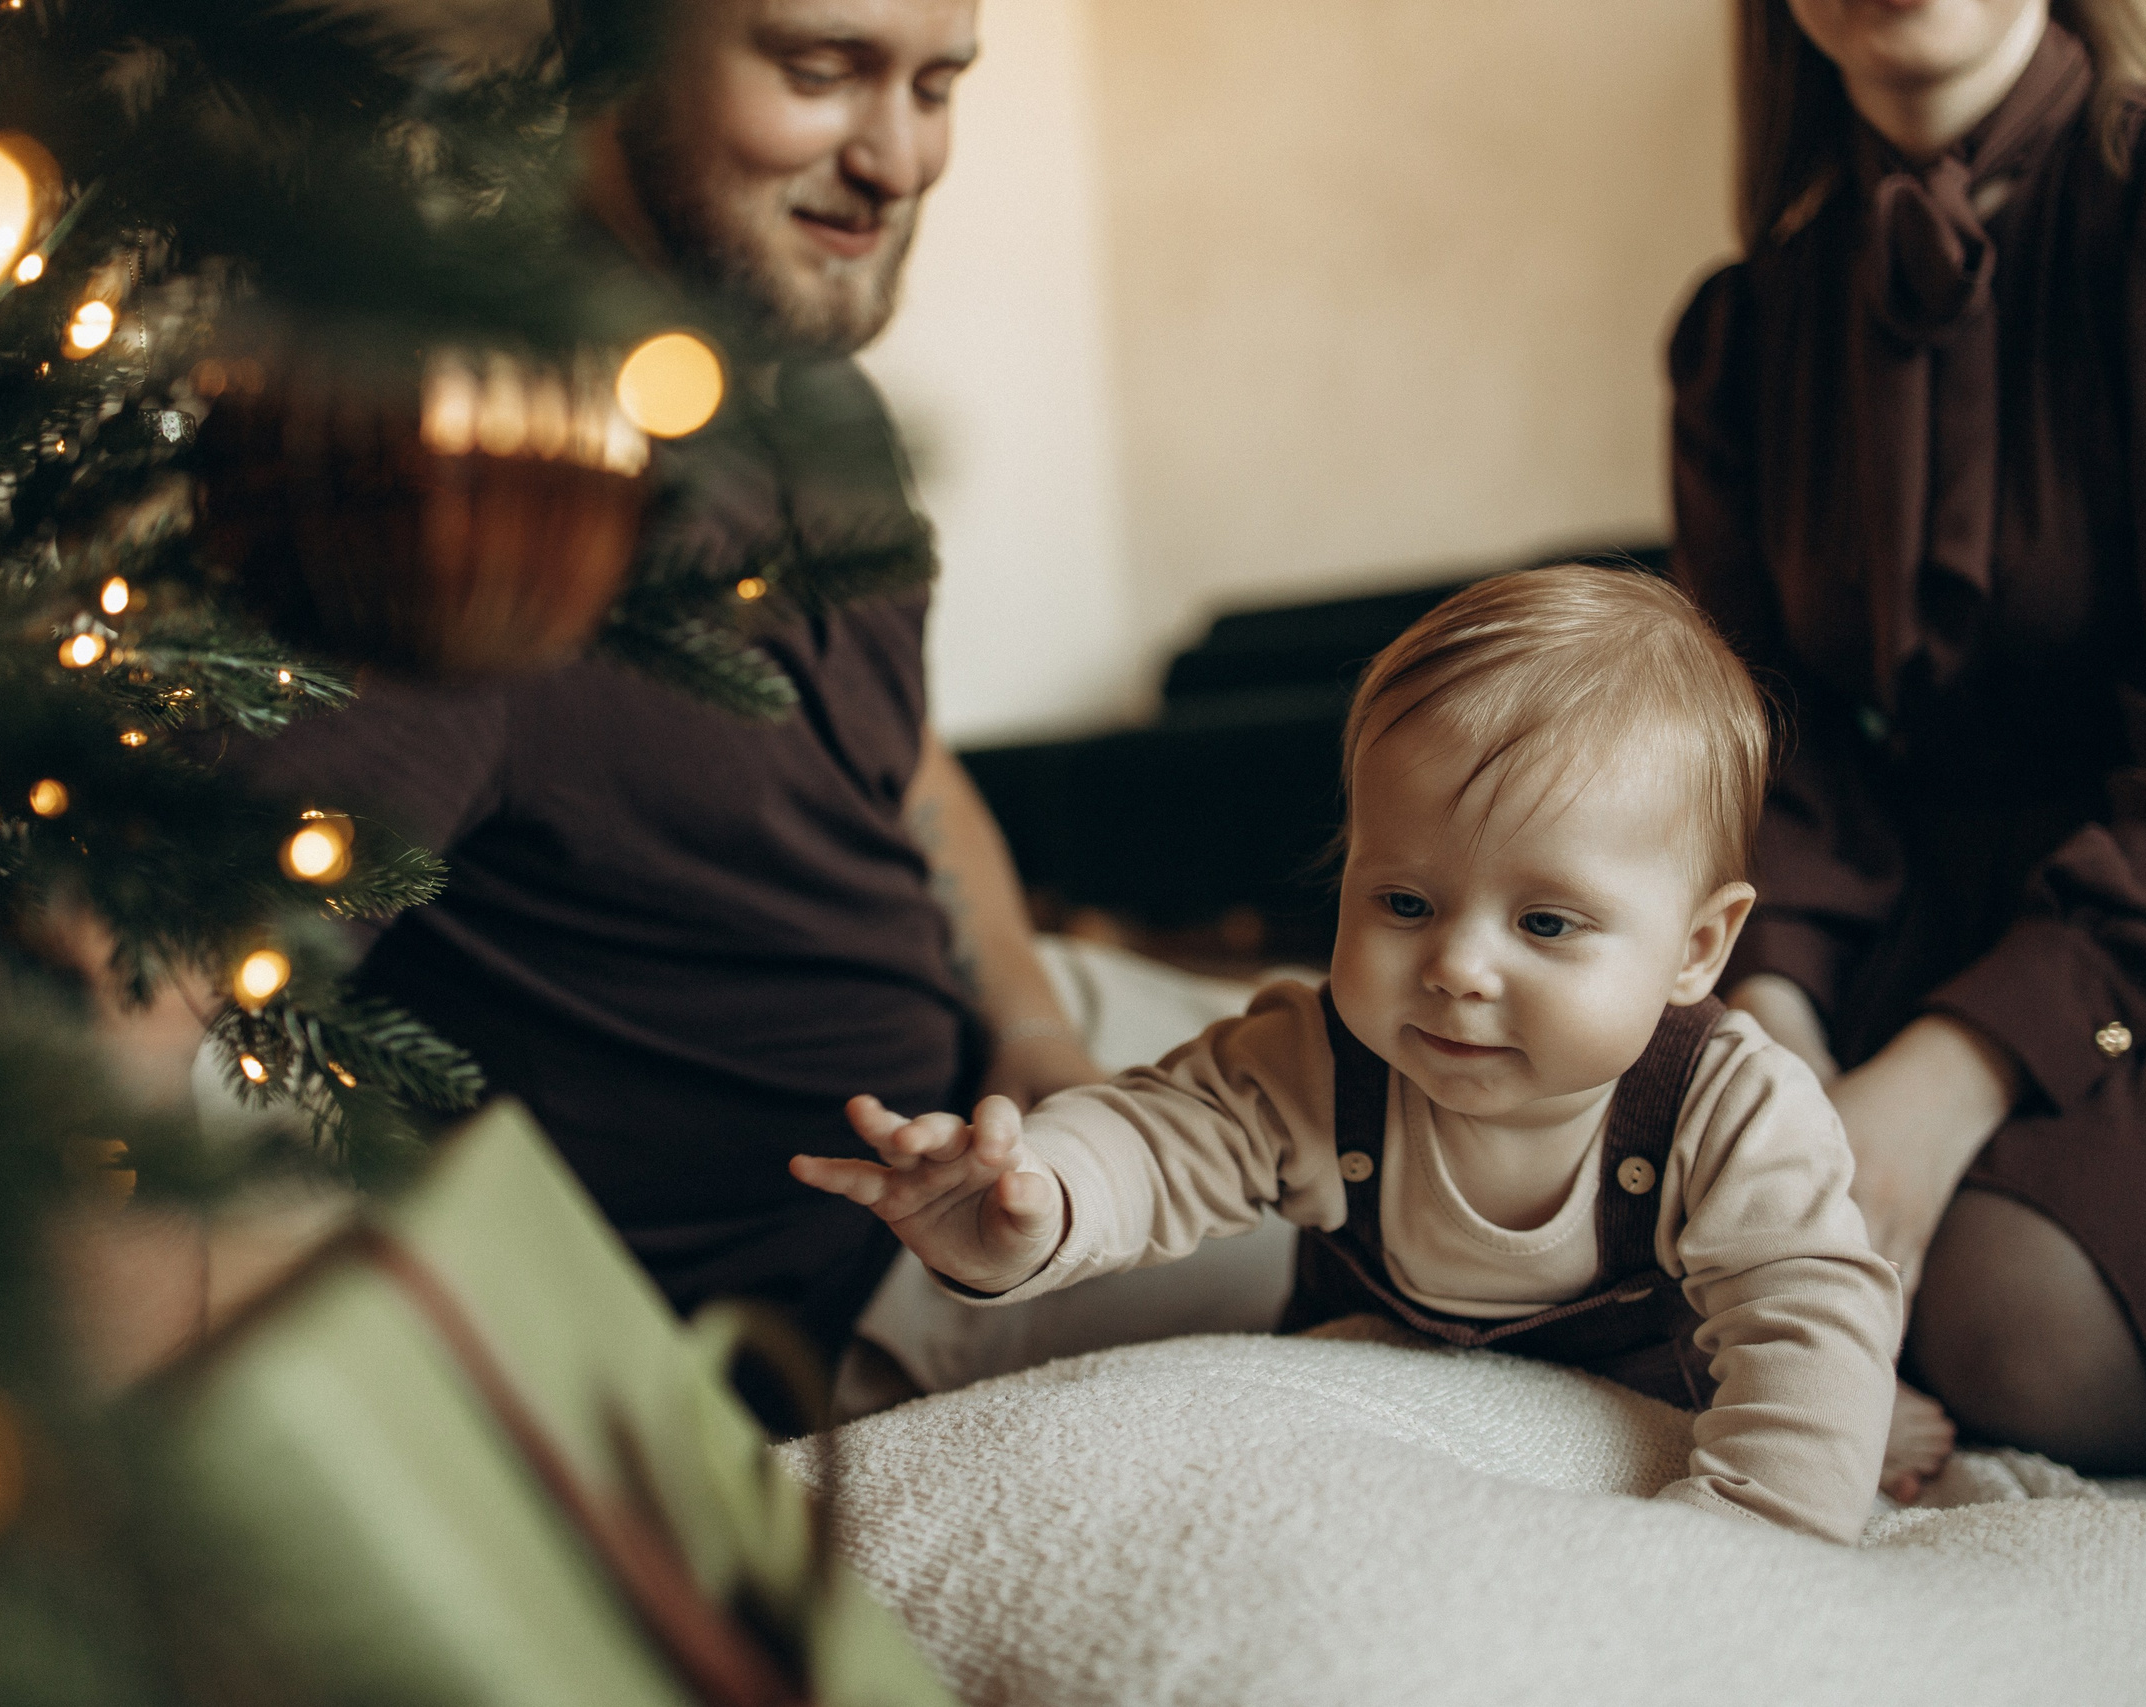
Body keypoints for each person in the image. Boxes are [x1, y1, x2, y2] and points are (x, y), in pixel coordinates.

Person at [235, 0, 1108, 1371]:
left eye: (938, 86)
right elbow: (142, 994)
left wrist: (1037, 1024)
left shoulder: (823, 401)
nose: (900, 158)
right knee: (1450, 1203)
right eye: (823, 71)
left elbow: (909, 764)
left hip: (1012, 1078)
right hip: (837, 1292)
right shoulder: (474, 479)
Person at [795, 568, 1905, 1543]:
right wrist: (1034, 1199)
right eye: (1405, 901)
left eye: (1546, 924)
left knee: (1825, 1391)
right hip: (1377, 1400)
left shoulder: (1732, 1107)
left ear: (1696, 947)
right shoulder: (1320, 1057)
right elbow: (1161, 1133)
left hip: (1646, 1414)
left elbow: (1804, 1308)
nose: (1456, 968)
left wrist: (1760, 1529)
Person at [1672, 0, 2146, 1478]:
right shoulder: (1747, 328)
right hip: (1917, 929)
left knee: (2011, 1302)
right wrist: (1782, 1013)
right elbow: (1777, 742)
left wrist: (1964, 1068)